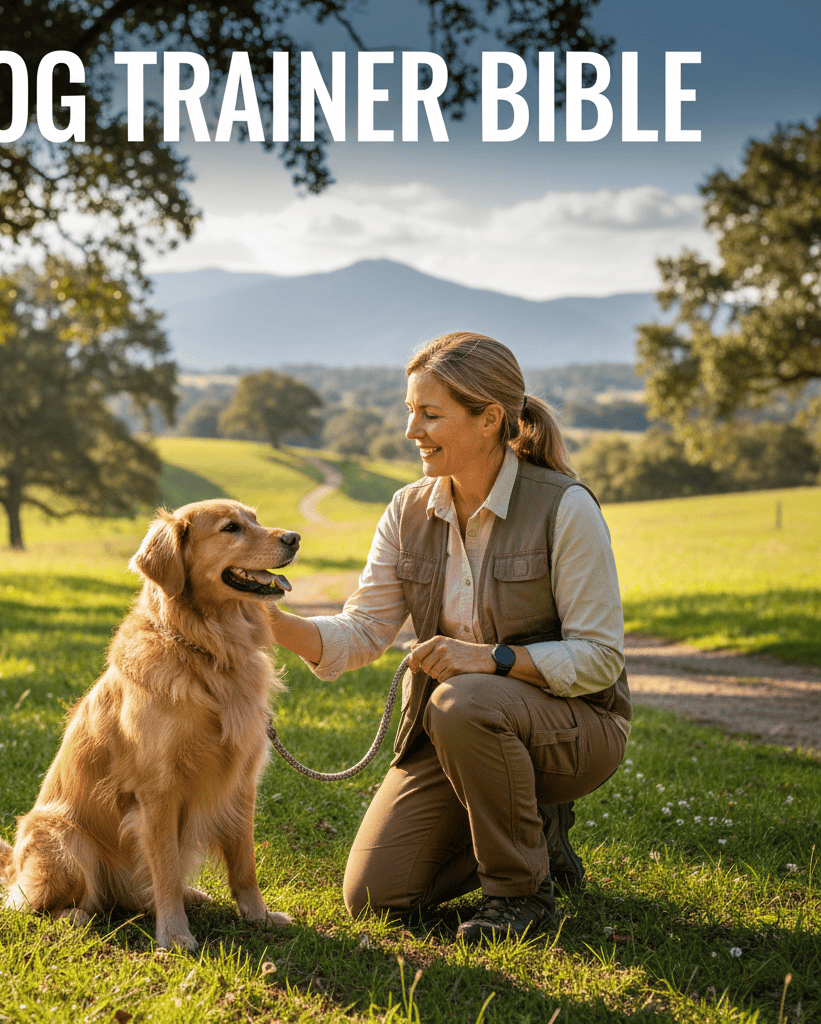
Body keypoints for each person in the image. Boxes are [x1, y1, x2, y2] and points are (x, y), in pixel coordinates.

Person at [267, 332, 631, 941]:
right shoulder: (406, 510)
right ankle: (534, 833)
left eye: (430, 414)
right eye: (410, 410)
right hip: (461, 734)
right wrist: (265, 621)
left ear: (489, 419)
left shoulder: (565, 507)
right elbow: (361, 630)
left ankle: (523, 897)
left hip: (575, 732)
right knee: (375, 898)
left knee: (463, 701)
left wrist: (490, 659)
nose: (412, 431)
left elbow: (599, 660)